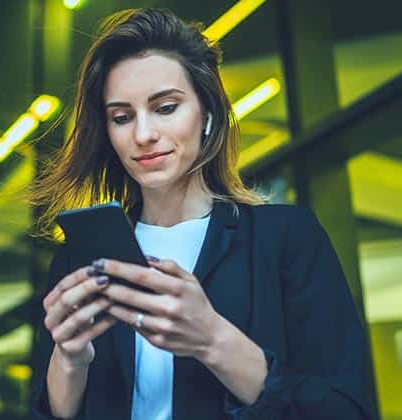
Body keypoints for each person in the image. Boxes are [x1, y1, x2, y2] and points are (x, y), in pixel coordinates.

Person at [27, 8, 378, 420]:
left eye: (166, 107)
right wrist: (69, 360)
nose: (143, 135)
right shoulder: (80, 260)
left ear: (207, 114)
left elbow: (347, 409)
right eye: (122, 117)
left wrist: (213, 339)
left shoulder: (285, 238)